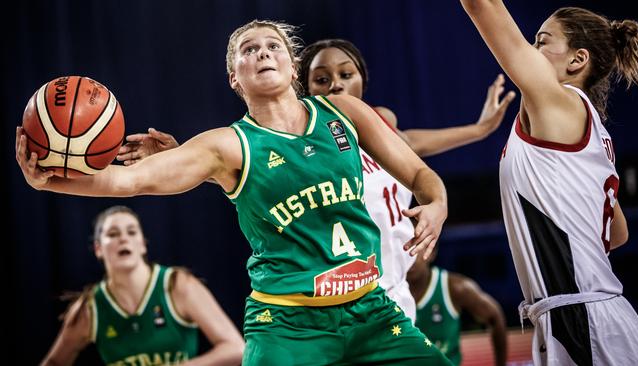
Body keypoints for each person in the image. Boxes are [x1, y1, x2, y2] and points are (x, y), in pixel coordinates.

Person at [17, 20, 452, 365]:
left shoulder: (343, 112)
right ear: (234, 78)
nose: (262, 51)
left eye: (273, 45)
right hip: (288, 323)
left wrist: (437, 203)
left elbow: (418, 173)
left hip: (371, 311)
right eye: (249, 49)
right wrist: (49, 180)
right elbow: (129, 180)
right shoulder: (226, 145)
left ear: (293, 67)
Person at [117, 38, 515, 323]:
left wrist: (479, 130)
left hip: (390, 295)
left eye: (346, 74)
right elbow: (251, 175)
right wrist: (180, 154)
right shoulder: (305, 144)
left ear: (362, 79)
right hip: (330, 298)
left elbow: (417, 151)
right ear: (303, 85)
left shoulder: (382, 130)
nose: (336, 84)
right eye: (322, 80)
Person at [460, 2, 638, 364]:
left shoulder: (558, 102)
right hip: (591, 317)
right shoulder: (584, 128)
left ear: (577, 60)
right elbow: (619, 232)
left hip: (584, 320)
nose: (530, 51)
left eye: (541, 42)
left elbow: (482, 6)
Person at [40, 205, 244, 366]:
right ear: (98, 248)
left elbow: (236, 348)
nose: (123, 239)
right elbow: (54, 361)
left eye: (131, 232)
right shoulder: (90, 308)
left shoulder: (176, 285)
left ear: (143, 244)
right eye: (113, 234)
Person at [407, 246, 507, 366]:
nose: (410, 256)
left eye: (415, 249)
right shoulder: (384, 290)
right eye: (403, 248)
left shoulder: (454, 287)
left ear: (432, 252)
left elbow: (495, 316)